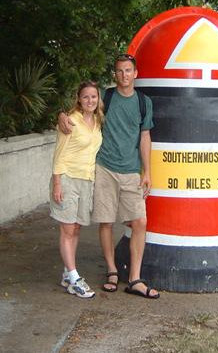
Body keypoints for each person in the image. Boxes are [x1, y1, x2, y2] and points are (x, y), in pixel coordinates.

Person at [59, 53, 159, 299]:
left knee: (140, 222)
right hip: (104, 168)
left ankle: (135, 278)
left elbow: (145, 137)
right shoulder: (108, 97)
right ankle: (112, 271)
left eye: (128, 71)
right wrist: (62, 115)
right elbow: (85, 106)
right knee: (106, 222)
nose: (124, 75)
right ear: (115, 74)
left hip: (131, 171)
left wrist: (147, 171)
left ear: (135, 74)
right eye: (119, 71)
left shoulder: (144, 102)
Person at [50, 81, 103, 299]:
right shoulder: (70, 121)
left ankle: (66, 272)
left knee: (77, 228)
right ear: (79, 99)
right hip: (67, 179)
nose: (90, 100)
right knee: (67, 229)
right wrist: (57, 184)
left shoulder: (98, 121)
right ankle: (74, 278)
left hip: (86, 180)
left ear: (98, 99)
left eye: (94, 96)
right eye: (86, 97)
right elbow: (59, 154)